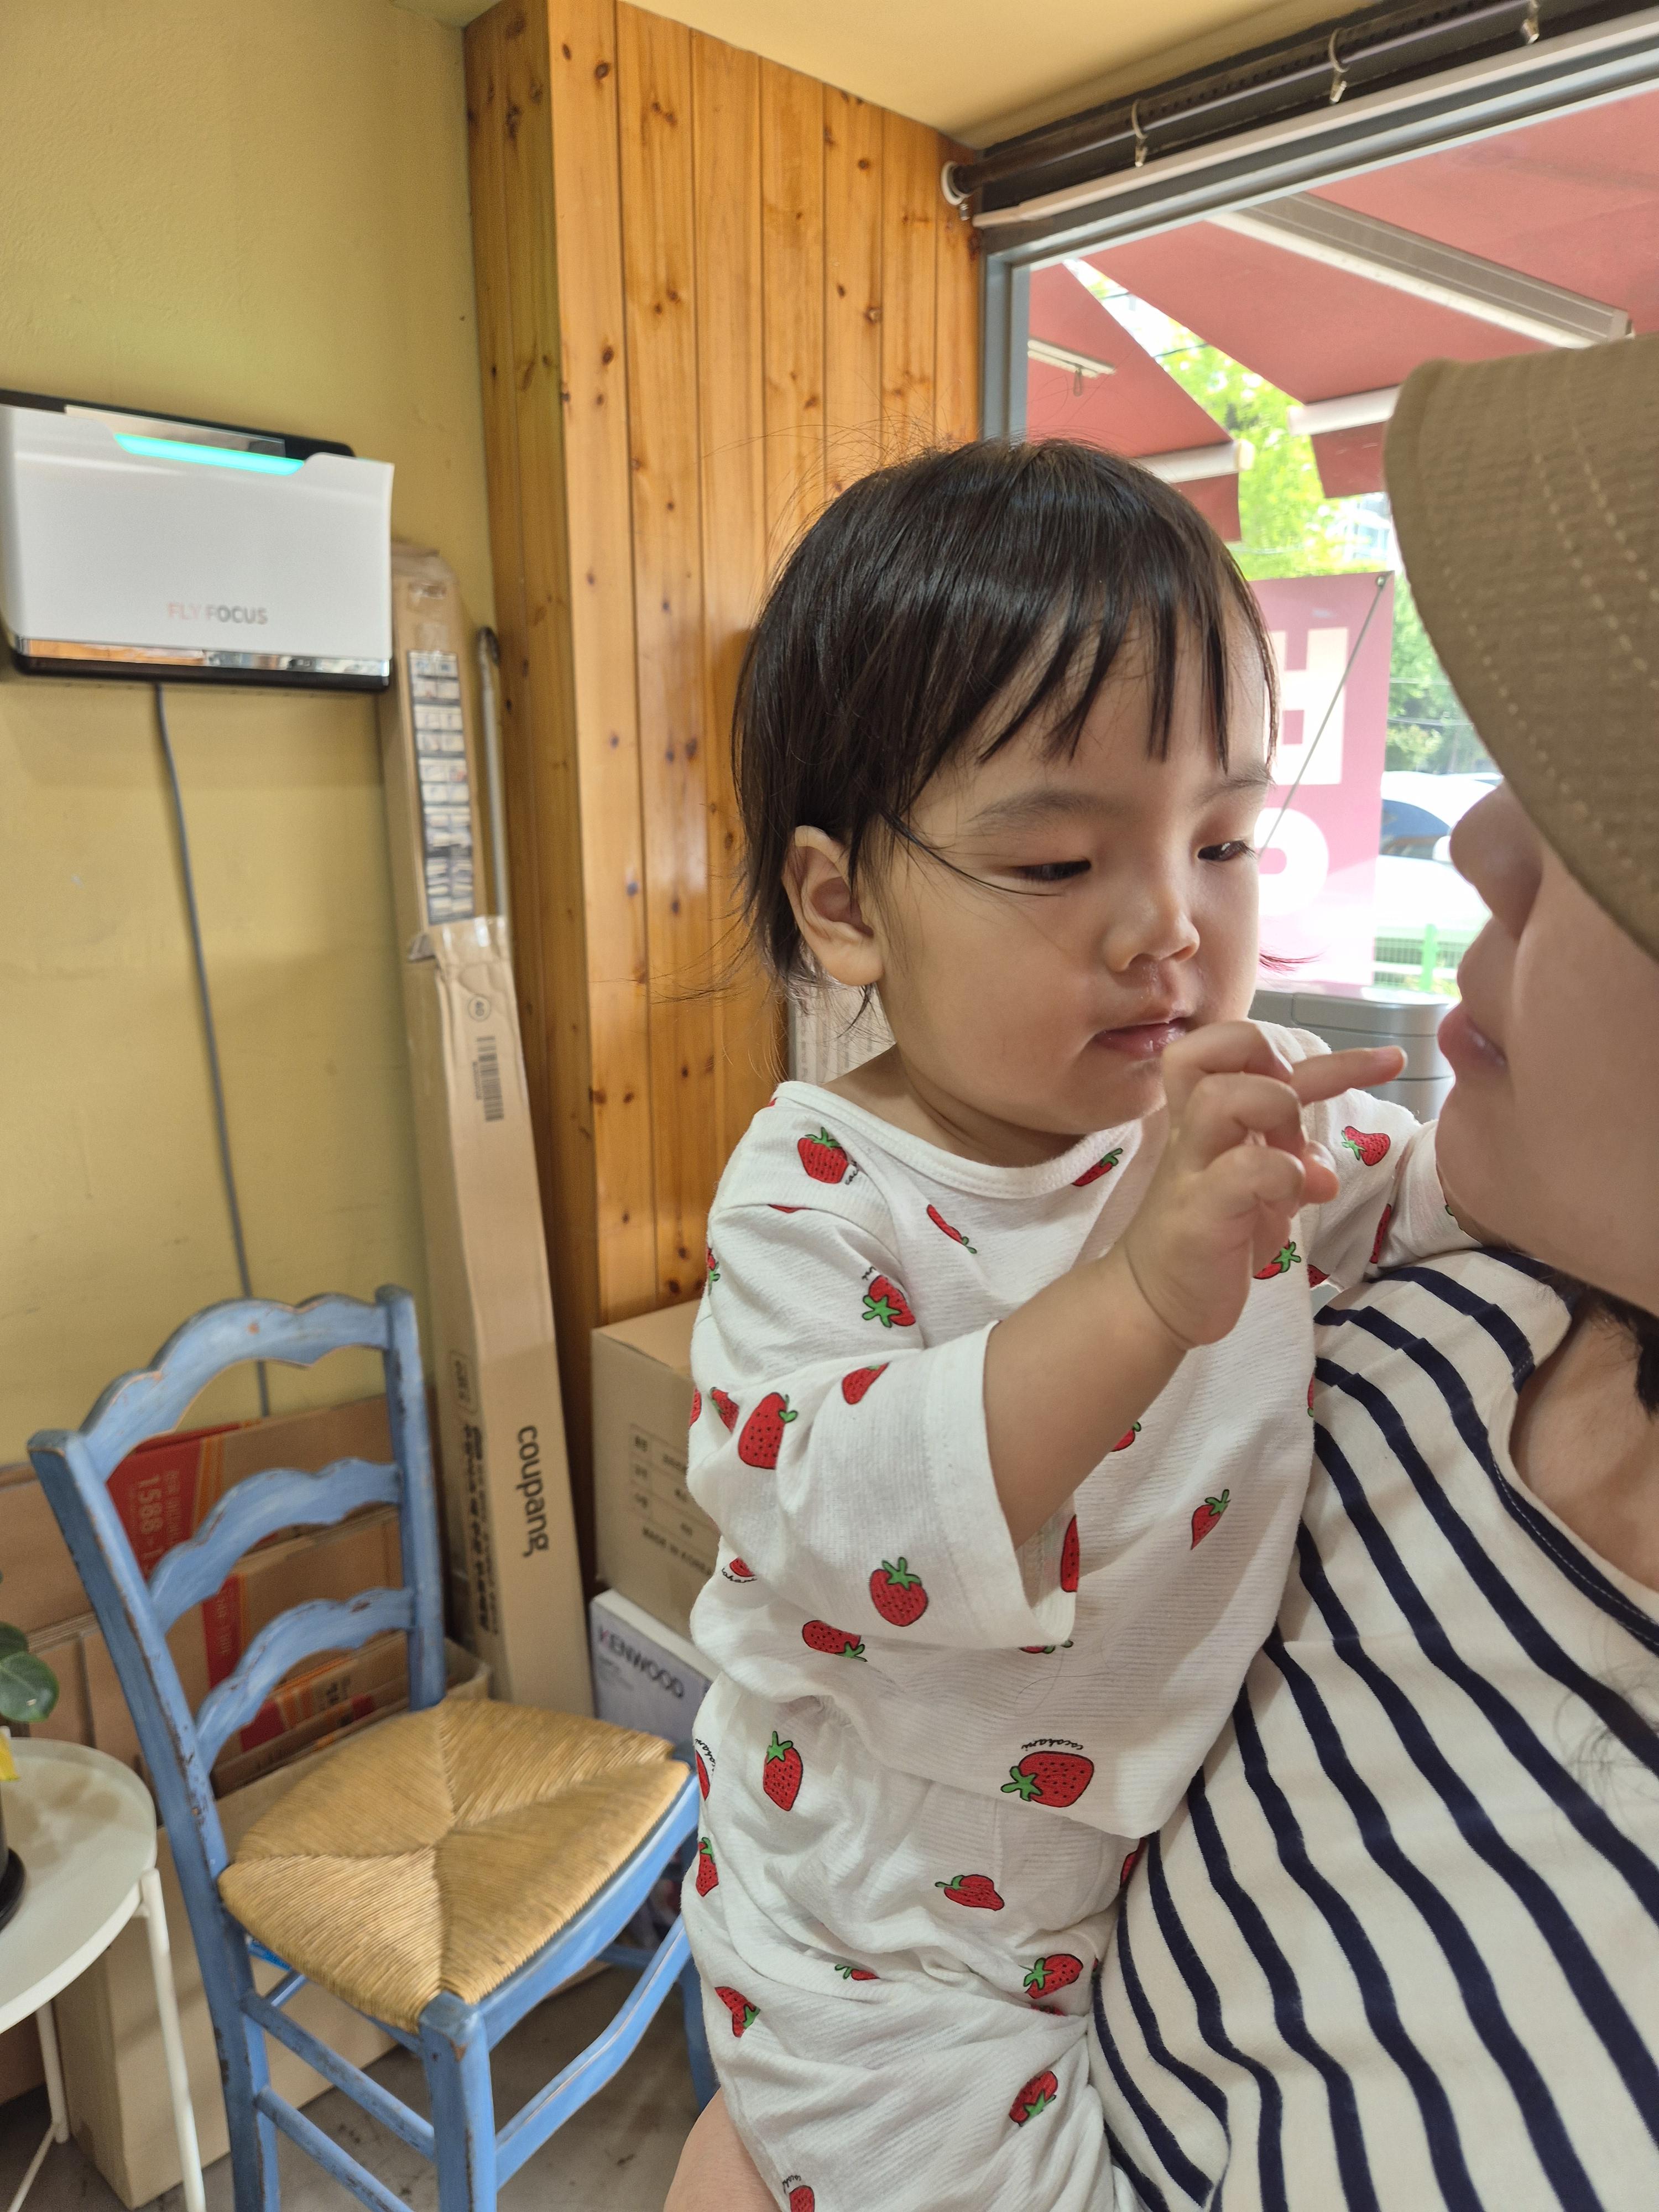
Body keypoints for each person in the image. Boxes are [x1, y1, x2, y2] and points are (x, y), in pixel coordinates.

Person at [666, 338, 1659, 2211]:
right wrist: (1133, 1299)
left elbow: (1409, 1206)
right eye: (1059, 862)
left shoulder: (1201, 1127)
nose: (1172, 926)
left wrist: (1392, 1153)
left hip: (1108, 1899)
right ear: (844, 906)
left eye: (1225, 838)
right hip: (884, 1940)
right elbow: (830, 1511)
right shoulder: (828, 1191)